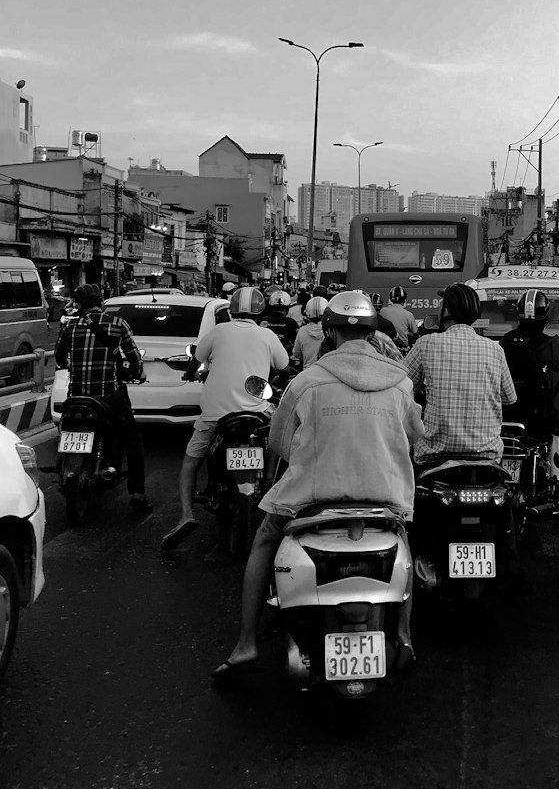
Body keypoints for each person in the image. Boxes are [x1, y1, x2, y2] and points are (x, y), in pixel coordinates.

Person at [212, 291, 425, 679]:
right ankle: (405, 635)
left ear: (329, 333)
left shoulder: (306, 382)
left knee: (263, 539)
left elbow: (279, 443)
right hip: (384, 500)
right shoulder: (399, 384)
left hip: (311, 501)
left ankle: (245, 644)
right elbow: (414, 437)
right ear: (374, 334)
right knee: (404, 542)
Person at [162, 287, 289, 550]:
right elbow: (284, 367)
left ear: (231, 310)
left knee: (190, 461)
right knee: (277, 436)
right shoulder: (266, 335)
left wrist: (189, 375)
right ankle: (267, 480)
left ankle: (185, 515)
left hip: (215, 414)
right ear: (260, 310)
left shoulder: (218, 332)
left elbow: (196, 361)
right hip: (256, 412)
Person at [54, 282, 150, 512]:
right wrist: (137, 373)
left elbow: (59, 358)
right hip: (107, 397)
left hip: (75, 397)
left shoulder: (70, 328)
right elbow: (134, 359)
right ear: (100, 302)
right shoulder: (118, 324)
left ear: (79, 306)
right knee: (132, 439)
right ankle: (137, 493)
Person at [403, 282, 516, 470]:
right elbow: (509, 398)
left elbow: (401, 387)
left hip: (434, 456)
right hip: (487, 456)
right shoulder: (495, 349)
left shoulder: (426, 343)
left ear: (446, 310)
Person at [499, 289, 559, 506]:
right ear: (546, 316)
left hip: (507, 413)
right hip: (541, 416)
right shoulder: (553, 345)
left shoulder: (505, 342)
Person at [290, 296, 329, 370]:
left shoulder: (302, 331)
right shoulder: (330, 331)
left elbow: (297, 354)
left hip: (308, 372)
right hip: (327, 372)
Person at [380, 285, 419, 350]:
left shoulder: (382, 311)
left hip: (384, 347)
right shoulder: (408, 315)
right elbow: (416, 334)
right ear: (405, 300)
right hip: (401, 349)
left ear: (390, 299)